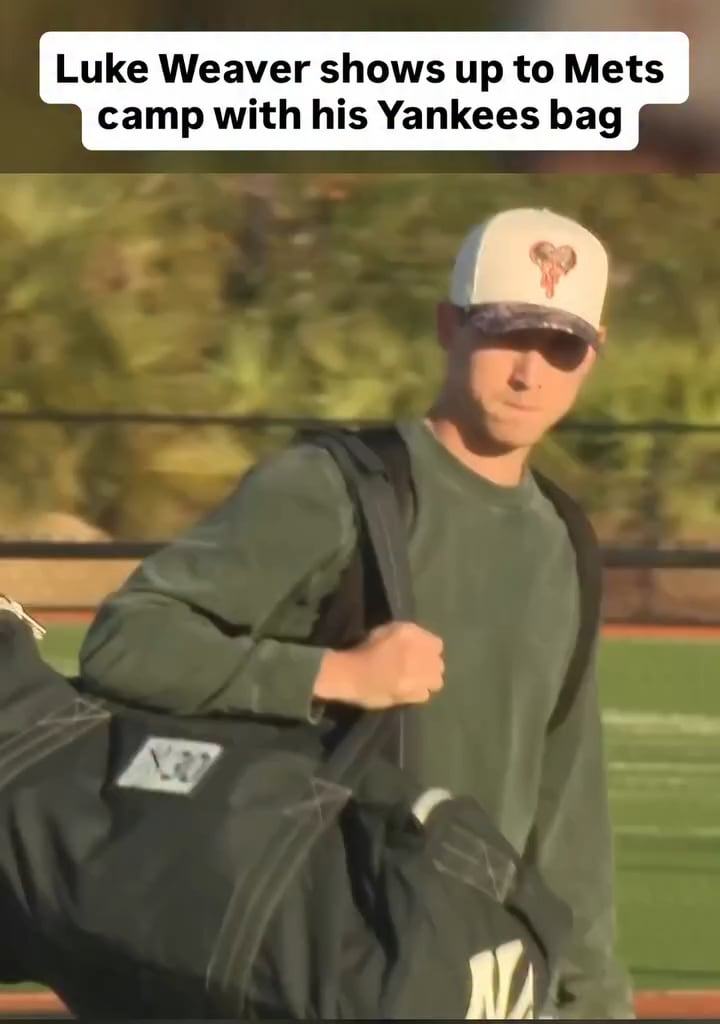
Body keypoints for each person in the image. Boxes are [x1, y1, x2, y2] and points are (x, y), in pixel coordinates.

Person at [78, 207, 634, 1019]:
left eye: (561, 346)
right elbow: (126, 641)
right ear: (449, 326)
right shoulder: (332, 488)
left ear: (591, 357)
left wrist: (595, 1001)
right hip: (311, 955)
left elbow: (567, 804)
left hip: (467, 972)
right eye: (507, 333)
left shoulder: (567, 543)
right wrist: (336, 674)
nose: (530, 372)